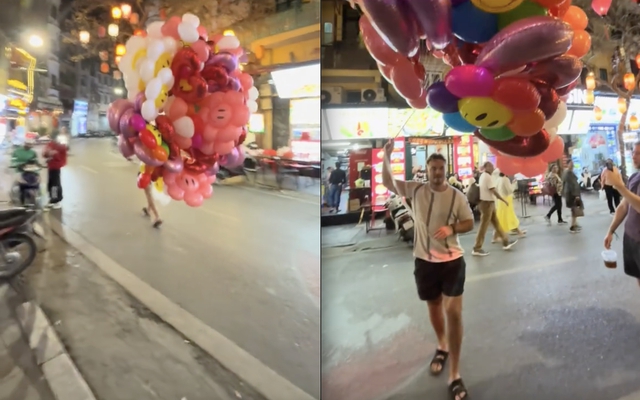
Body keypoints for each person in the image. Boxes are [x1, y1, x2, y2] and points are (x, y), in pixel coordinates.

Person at [380, 141, 474, 400]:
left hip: (452, 260)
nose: (437, 172)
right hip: (424, 261)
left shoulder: (456, 196)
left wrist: (452, 228)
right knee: (433, 307)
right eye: (433, 168)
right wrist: (386, 156)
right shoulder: (416, 189)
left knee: (453, 312)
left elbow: (469, 222)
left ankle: (454, 374)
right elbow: (388, 182)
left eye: (441, 168)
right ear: (428, 170)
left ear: (446, 169)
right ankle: (442, 345)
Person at [604, 142, 640, 285]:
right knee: (638, 276)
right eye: (633, 152)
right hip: (631, 238)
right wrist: (610, 230)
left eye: (638, 153)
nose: (634, 156)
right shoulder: (634, 177)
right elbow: (624, 206)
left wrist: (619, 186)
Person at [473, 162, 518, 256]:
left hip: (488, 203)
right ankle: (477, 248)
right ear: (486, 167)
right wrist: (503, 200)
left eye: (492, 166)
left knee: (496, 223)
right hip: (487, 203)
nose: (492, 168)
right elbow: (493, 190)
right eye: (490, 166)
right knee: (483, 226)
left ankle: (505, 242)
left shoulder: (483, 176)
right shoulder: (487, 177)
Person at [493, 170, 526, 240]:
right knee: (510, 217)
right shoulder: (505, 179)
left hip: (501, 201)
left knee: (502, 218)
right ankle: (519, 232)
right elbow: (510, 190)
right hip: (507, 200)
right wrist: (514, 184)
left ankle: (496, 236)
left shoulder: (498, 179)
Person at [42, 131, 68, 209]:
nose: (53, 139)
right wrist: (48, 153)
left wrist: (54, 153)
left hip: (56, 167)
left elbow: (62, 156)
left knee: (55, 185)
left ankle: (56, 201)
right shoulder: (50, 144)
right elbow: (44, 154)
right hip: (50, 167)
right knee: (50, 184)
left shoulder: (61, 146)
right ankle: (52, 199)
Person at [562, 159, 583, 233]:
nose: (572, 165)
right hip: (572, 194)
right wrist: (576, 195)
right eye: (571, 164)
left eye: (572, 163)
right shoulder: (568, 173)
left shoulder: (567, 172)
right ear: (568, 164)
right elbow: (572, 185)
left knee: (574, 209)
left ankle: (575, 224)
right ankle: (572, 226)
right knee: (574, 210)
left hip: (570, 193)